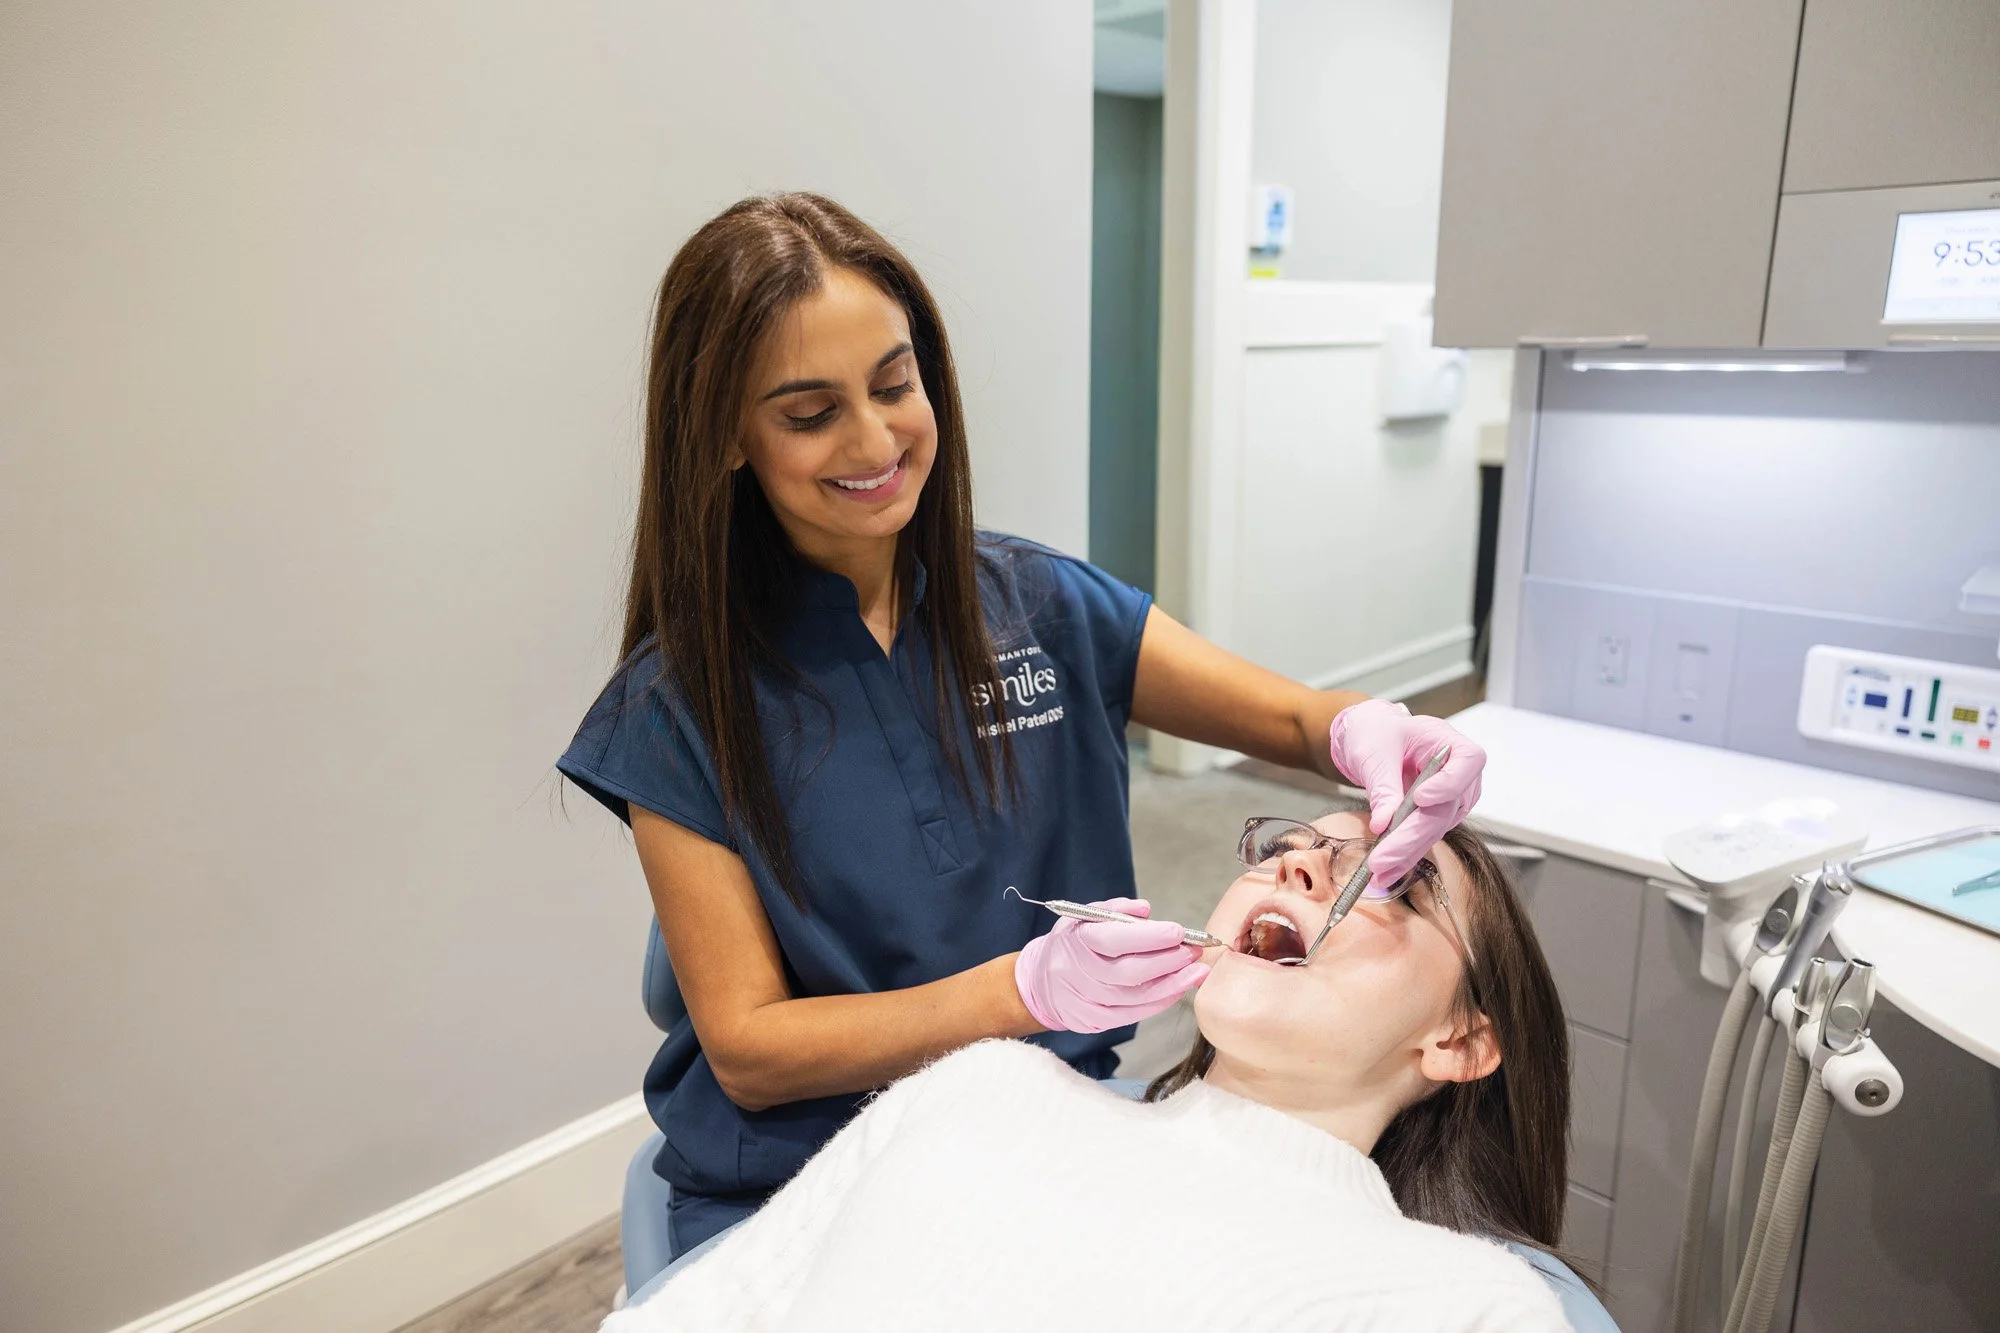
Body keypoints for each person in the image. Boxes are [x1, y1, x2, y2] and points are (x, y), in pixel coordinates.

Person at [557, 193, 1491, 1255]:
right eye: (809, 413)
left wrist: (1366, 731)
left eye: (894, 384)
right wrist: (1022, 988)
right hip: (799, 1181)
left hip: (1051, 1128)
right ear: (726, 433)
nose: (874, 439)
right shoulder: (677, 706)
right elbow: (750, 1050)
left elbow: (1287, 713)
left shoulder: (1038, 604)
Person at [602, 814, 1578, 1331]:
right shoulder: (985, 1084)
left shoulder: (1463, 1302)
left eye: (1390, 882)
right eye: (1288, 846)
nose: (1298, 866)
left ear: (1456, 1041)